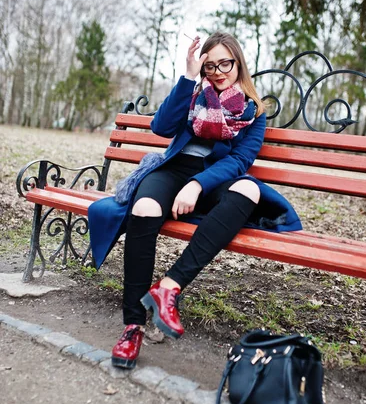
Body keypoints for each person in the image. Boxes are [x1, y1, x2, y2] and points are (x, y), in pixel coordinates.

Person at [88, 31, 302, 369]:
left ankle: (169, 287)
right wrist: (188, 76)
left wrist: (197, 185)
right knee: (144, 208)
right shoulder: (193, 94)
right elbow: (161, 127)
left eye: (225, 63)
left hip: (216, 178)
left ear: (238, 63)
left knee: (249, 188)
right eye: (209, 65)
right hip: (172, 171)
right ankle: (133, 325)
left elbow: (239, 161)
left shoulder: (253, 111)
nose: (218, 71)